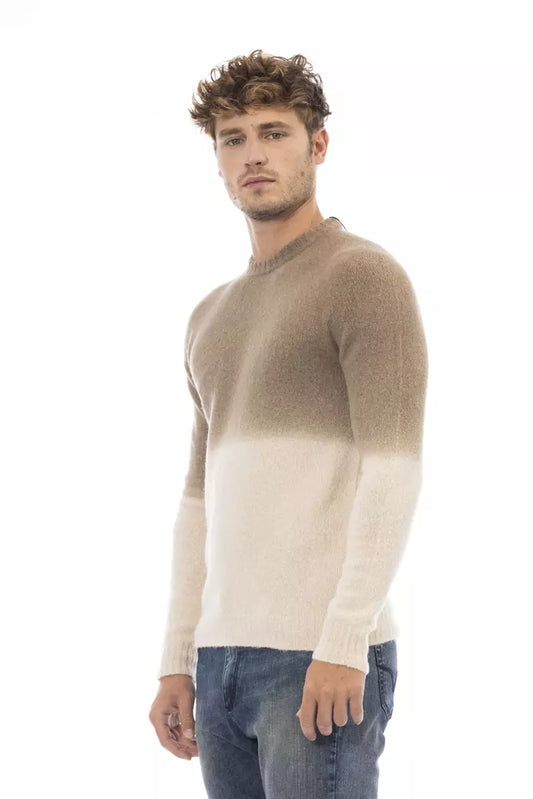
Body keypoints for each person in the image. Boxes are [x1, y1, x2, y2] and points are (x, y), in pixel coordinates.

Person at [149, 48, 428, 798]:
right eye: (233, 138)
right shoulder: (209, 316)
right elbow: (198, 504)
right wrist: (178, 656)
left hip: (316, 655)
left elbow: (393, 475)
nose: (253, 155)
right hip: (220, 661)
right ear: (216, 159)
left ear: (318, 145)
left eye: (274, 132)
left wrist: (344, 640)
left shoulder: (362, 277)